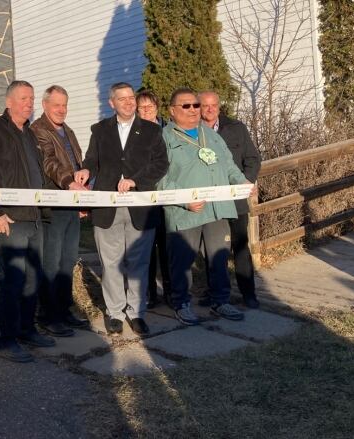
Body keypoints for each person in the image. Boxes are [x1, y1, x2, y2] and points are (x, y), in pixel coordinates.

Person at [74, 82, 168, 337]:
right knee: (111, 262)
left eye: (131, 98)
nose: (128, 102)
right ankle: (115, 313)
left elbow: (161, 164)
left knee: (138, 262)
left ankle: (136, 313)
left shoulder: (151, 130)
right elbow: (92, 159)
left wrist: (136, 180)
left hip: (140, 207)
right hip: (107, 207)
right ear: (111, 103)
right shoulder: (101, 130)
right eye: (122, 98)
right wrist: (86, 170)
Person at [0, 80, 56, 363]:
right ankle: (5, 339)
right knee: (12, 279)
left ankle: (26, 329)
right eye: (23, 98)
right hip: (8, 219)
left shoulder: (29, 135)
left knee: (32, 277)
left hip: (33, 218)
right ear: (8, 102)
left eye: (31, 98)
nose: (28, 103)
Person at [158, 88, 256, 325]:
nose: (193, 110)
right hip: (186, 212)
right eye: (186, 106)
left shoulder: (211, 135)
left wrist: (242, 182)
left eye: (195, 105)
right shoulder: (164, 138)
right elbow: (159, 178)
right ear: (172, 111)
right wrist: (185, 200)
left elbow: (229, 165)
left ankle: (220, 301)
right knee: (182, 261)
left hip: (217, 208)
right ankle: (182, 303)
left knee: (219, 257)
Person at [30, 85, 90, 337]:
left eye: (64, 104)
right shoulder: (38, 131)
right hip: (53, 205)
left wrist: (83, 192)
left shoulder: (69, 131)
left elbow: (78, 161)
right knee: (51, 262)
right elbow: (50, 164)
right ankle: (48, 315)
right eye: (56, 105)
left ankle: (64, 310)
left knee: (67, 261)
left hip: (71, 204)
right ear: (44, 105)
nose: (62, 110)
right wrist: (70, 183)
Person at [199, 90, 262, 309]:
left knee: (240, 247)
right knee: (213, 250)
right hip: (210, 203)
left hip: (235, 202)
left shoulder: (236, 128)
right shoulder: (192, 132)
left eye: (213, 105)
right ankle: (215, 292)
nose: (209, 109)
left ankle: (248, 293)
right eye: (205, 105)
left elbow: (252, 158)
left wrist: (248, 181)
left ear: (219, 106)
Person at [136, 89, 171, 308]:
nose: (146, 111)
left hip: (167, 196)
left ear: (157, 108)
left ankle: (170, 291)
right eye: (142, 107)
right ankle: (149, 293)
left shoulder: (169, 130)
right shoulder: (134, 133)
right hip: (145, 197)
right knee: (146, 248)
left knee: (167, 247)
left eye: (150, 106)